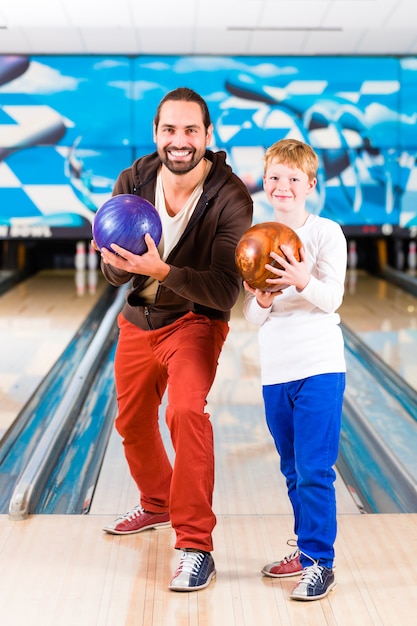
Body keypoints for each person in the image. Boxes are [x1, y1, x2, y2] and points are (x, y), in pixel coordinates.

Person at [97, 87, 253, 592]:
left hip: (194, 321)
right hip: (139, 321)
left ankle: (195, 546)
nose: (179, 140)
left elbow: (226, 289)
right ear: (156, 134)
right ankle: (157, 503)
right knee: (131, 421)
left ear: (208, 136)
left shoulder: (230, 196)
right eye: (170, 130)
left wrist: (161, 269)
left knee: (185, 412)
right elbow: (114, 276)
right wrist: (114, 264)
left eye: (191, 130)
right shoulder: (134, 179)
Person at [242, 138, 346, 601]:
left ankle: (321, 562)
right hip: (275, 371)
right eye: (274, 178)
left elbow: (332, 300)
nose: (282, 186)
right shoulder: (253, 237)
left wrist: (302, 279)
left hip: (320, 365)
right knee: (291, 469)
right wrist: (263, 299)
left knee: (314, 469)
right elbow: (250, 315)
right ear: (265, 184)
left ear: (310, 184)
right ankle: (306, 553)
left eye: (292, 179)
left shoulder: (326, 233)